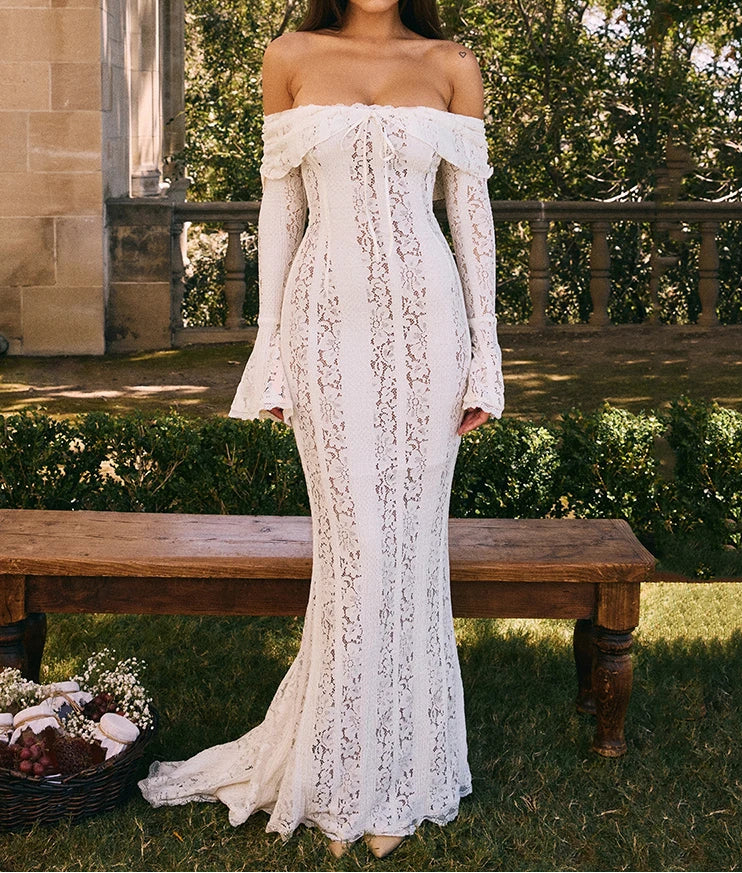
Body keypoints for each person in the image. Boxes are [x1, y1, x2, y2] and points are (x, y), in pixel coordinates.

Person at [138, 0, 505, 860]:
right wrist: (267, 350)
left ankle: (405, 775)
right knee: (352, 546)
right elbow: (281, 216)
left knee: (411, 547)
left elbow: (473, 221)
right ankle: (340, 772)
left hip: (429, 330)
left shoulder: (453, 61)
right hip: (323, 327)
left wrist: (486, 356)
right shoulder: (289, 55)